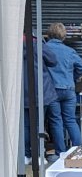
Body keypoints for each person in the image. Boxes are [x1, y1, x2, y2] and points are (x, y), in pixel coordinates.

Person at [43, 23, 82, 157]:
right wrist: (72, 78)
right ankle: (79, 151)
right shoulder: (69, 50)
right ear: (63, 36)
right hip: (69, 89)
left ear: (49, 34)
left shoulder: (44, 48)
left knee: (56, 121)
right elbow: (81, 68)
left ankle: (60, 153)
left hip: (52, 90)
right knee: (71, 120)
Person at [23, 32, 58, 164]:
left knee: (25, 125)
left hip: (21, 91)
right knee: (38, 124)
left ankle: (26, 156)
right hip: (40, 90)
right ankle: (38, 156)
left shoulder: (13, 45)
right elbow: (53, 60)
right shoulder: (36, 43)